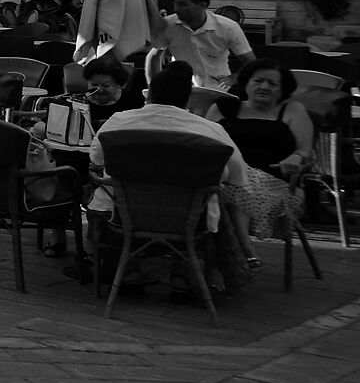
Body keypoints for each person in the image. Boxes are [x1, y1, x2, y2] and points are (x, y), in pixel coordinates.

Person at [96, 61, 253, 293]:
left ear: (149, 95)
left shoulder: (119, 121)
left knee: (98, 194)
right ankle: (183, 273)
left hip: (124, 216)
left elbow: (97, 160)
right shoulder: (211, 131)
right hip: (189, 220)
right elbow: (238, 177)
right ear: (187, 98)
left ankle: (126, 269)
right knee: (208, 197)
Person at [212, 59, 312, 239]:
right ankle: (242, 253)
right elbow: (205, 142)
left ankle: (244, 250)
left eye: (272, 83)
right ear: (246, 83)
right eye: (258, 81)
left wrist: (296, 158)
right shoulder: (224, 107)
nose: (264, 86)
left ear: (283, 90)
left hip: (272, 183)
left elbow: (305, 150)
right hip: (222, 177)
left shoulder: (292, 110)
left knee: (234, 192)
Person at [156, 0, 254, 91]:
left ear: (202, 5)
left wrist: (234, 78)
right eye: (175, 3)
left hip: (217, 91)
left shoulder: (228, 27)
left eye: (182, 4)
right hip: (180, 91)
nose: (175, 9)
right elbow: (154, 57)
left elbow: (251, 63)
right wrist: (154, 87)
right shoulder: (167, 25)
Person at [80, 55, 145, 130]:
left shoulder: (136, 103)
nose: (99, 90)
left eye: (106, 85)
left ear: (118, 84)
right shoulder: (77, 104)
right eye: (94, 85)